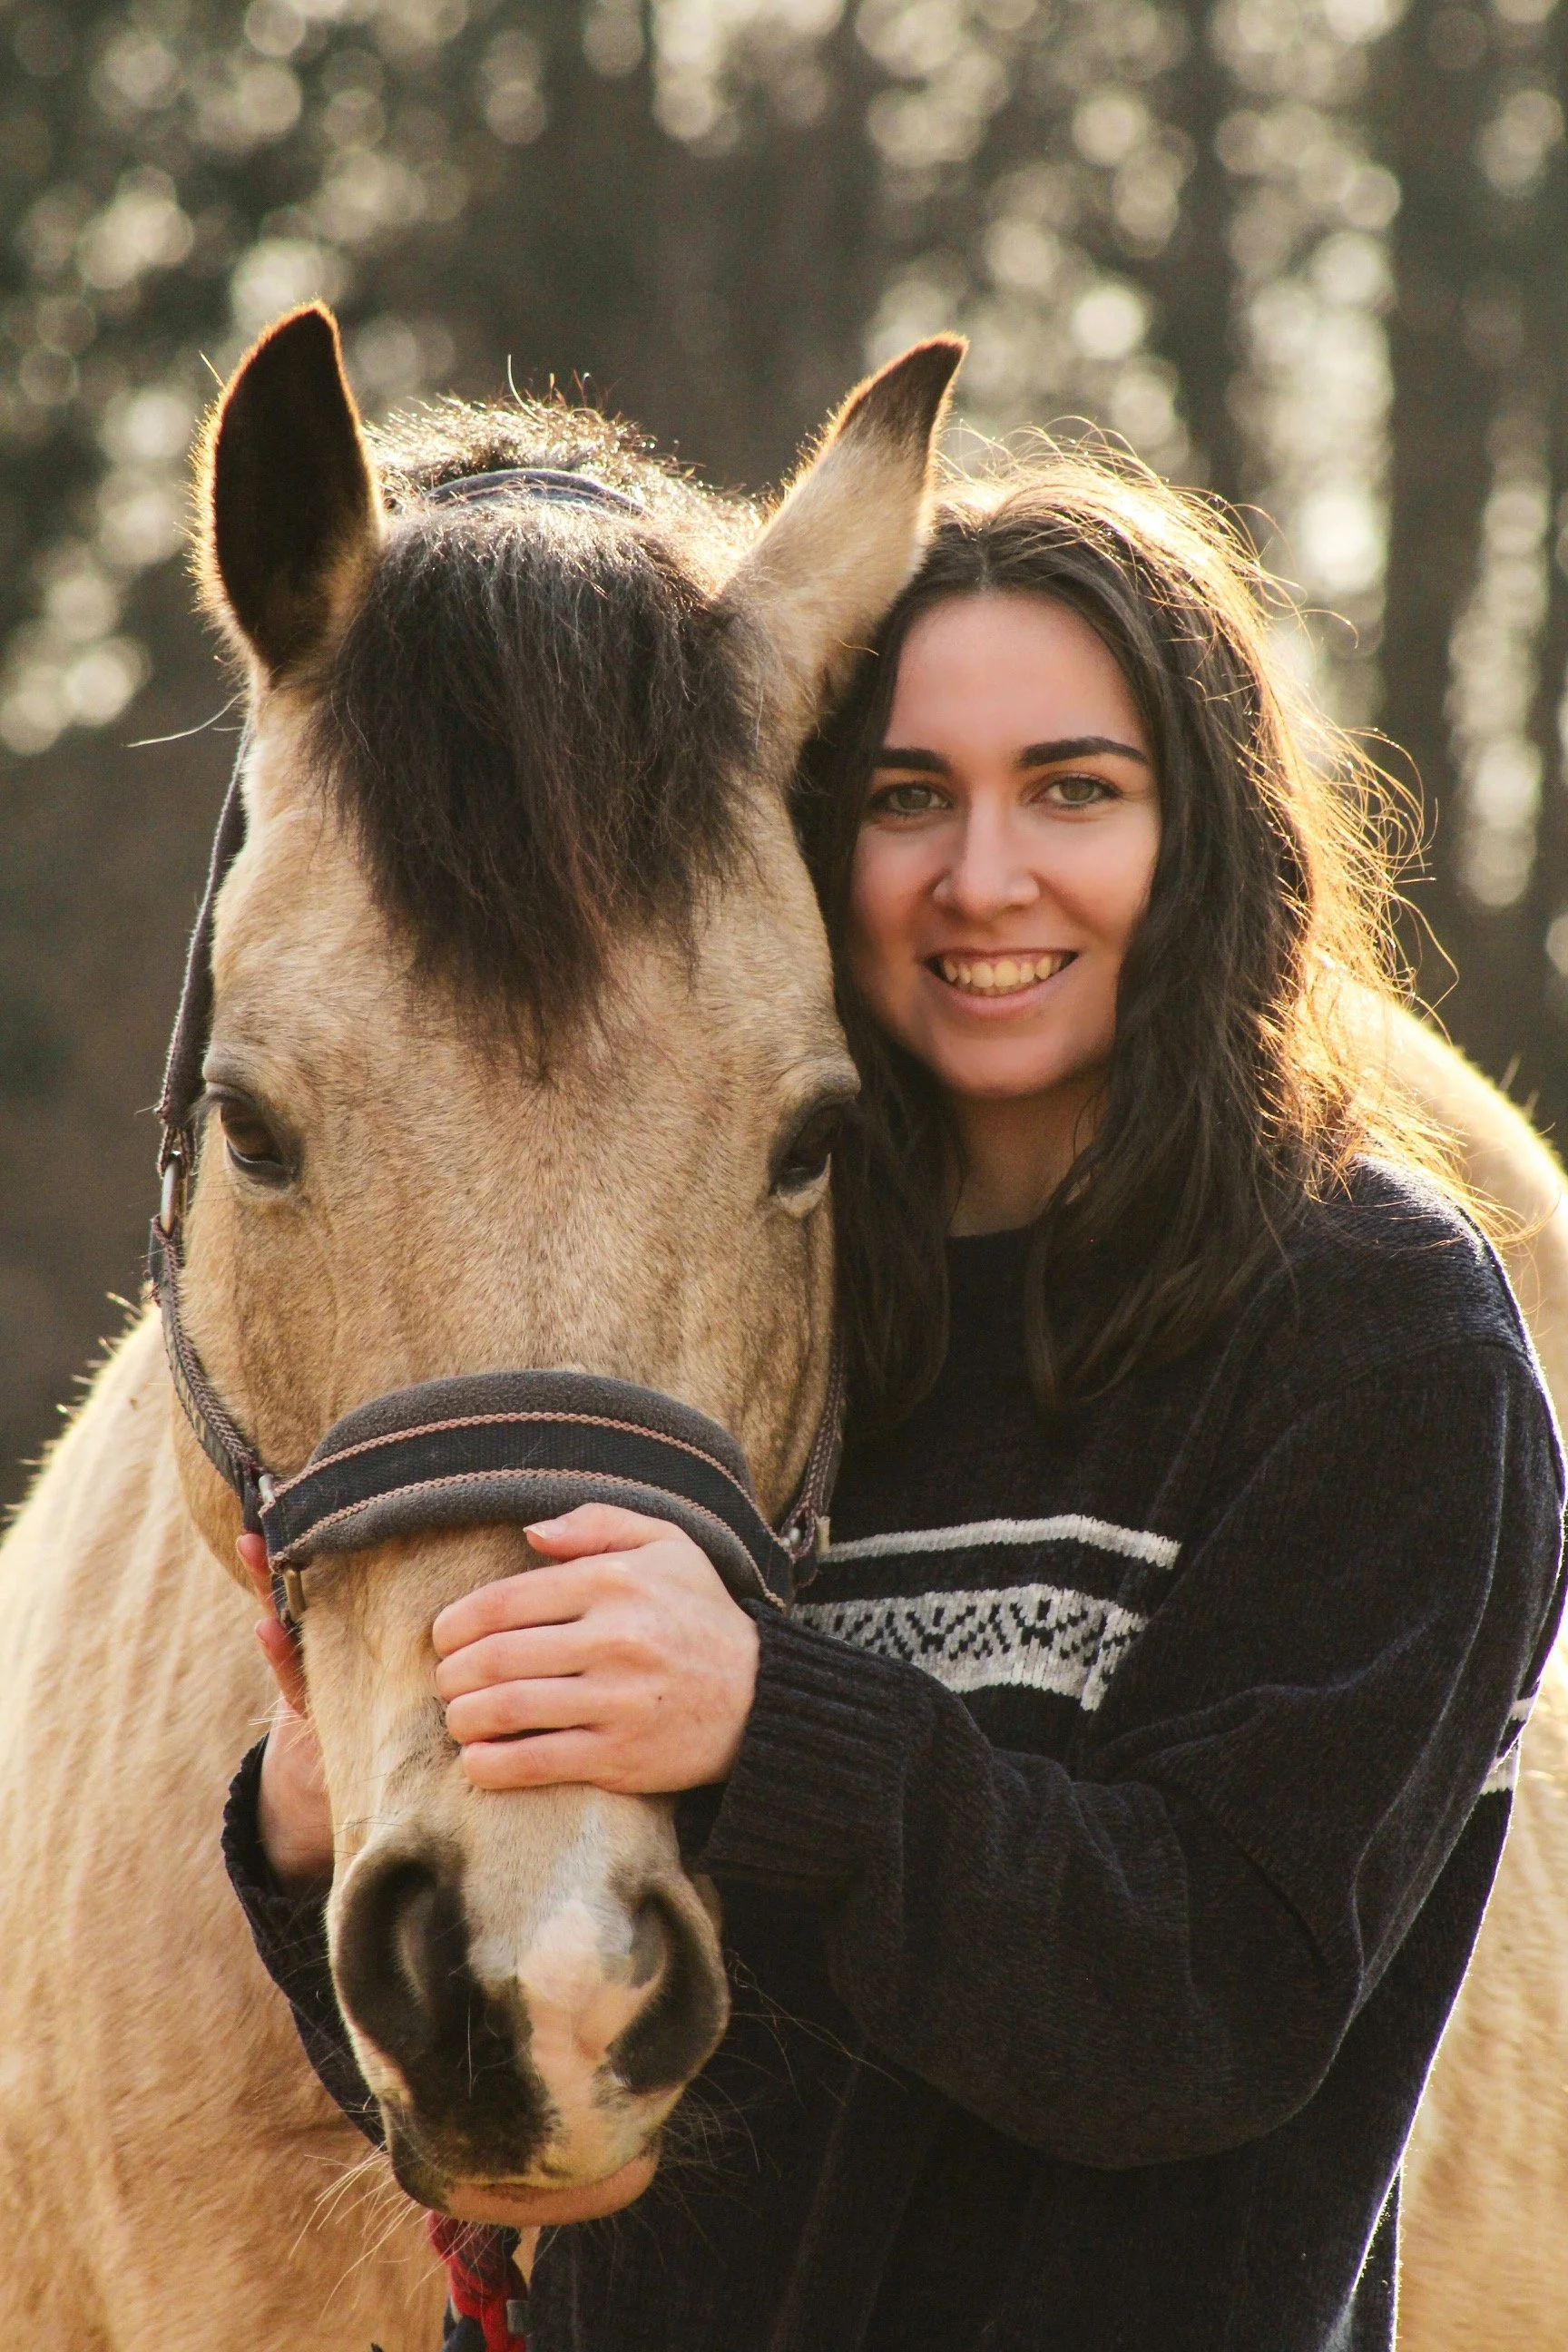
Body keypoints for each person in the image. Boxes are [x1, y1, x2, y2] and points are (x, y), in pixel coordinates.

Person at [222, 450, 1565, 2352]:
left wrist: (776, 1724)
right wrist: (319, 1842)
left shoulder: (1382, 1331)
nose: (983, 875)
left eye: (1076, 792)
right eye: (907, 798)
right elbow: (565, 2035)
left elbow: (1215, 2005)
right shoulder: (759, 1313)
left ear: (1210, 835)